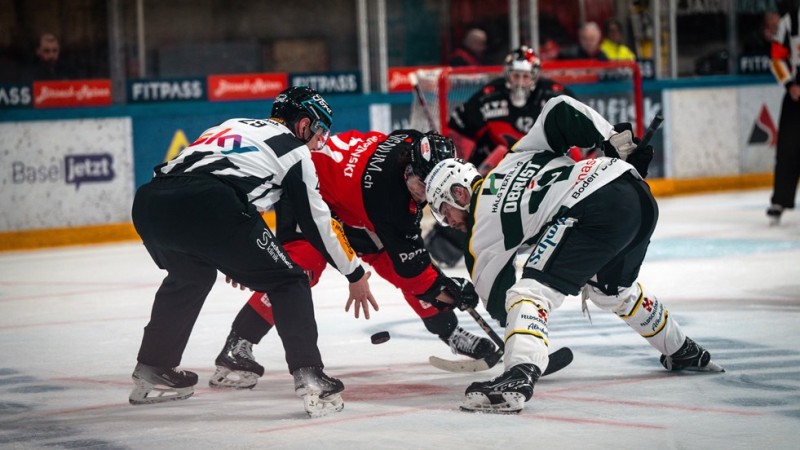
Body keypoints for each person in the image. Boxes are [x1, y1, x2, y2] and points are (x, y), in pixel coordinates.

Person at [424, 95, 724, 414]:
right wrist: (613, 138)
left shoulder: (479, 230)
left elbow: (499, 301)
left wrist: (483, 304)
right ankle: (682, 349)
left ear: (459, 193)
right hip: (635, 195)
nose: (448, 222)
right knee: (610, 290)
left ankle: (518, 376)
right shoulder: (516, 156)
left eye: (443, 211)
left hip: (592, 208)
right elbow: (559, 109)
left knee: (528, 292)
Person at [128, 86, 377, 418]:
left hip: (150, 203)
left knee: (191, 275)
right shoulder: (296, 152)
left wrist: (234, 251)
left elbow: (217, 181)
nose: (322, 140)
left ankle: (153, 367)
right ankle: (310, 376)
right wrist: (354, 272)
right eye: (320, 130)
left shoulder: (230, 125)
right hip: (211, 205)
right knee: (290, 280)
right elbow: (319, 224)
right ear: (303, 124)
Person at [208, 128, 496, 390]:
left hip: (354, 207)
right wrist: (451, 292)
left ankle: (451, 333)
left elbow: (408, 264)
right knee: (299, 271)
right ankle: (238, 345)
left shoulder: (412, 144)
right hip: (310, 198)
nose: (425, 196)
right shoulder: (391, 198)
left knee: (397, 264)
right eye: (422, 185)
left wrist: (442, 288)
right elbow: (414, 271)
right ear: (409, 168)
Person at [428, 45, 574, 267]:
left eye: (525, 76)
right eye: (516, 75)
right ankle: (446, 244)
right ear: (507, 73)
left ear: (534, 76)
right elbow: (461, 135)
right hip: (497, 172)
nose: (519, 82)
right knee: (478, 194)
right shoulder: (489, 96)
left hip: (541, 172)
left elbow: (577, 142)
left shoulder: (554, 96)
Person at [766, 1, 800, 225]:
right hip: (797, 93)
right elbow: (776, 57)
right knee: (788, 148)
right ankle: (780, 200)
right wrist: (790, 84)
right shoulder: (791, 20)